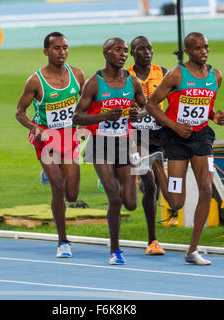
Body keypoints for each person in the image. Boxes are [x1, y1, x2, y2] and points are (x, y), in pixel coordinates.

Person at [146, 32, 224, 265]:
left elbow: (204, 106)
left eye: (206, 47)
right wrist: (174, 125)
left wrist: (214, 116)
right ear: (188, 51)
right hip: (175, 139)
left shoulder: (216, 76)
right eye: (198, 48)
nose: (204, 51)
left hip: (201, 138)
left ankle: (192, 251)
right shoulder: (176, 75)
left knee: (206, 190)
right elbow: (152, 105)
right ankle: (156, 165)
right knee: (176, 202)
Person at [72, 37, 147, 265]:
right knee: (114, 197)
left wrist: (138, 115)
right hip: (100, 144)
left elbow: (144, 106)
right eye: (118, 50)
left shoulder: (132, 82)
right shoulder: (94, 83)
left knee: (131, 203)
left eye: (125, 51)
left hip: (123, 144)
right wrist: (104, 116)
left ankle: (128, 180)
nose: (123, 54)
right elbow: (76, 117)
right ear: (106, 53)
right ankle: (115, 250)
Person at [15, 32, 85, 258]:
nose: (62, 52)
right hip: (46, 140)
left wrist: (87, 126)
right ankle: (63, 241)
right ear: (46, 51)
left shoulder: (77, 75)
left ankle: (49, 175)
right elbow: (19, 112)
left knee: (72, 195)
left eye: (65, 47)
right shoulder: (36, 80)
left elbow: (86, 104)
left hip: (69, 138)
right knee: (58, 185)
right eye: (56, 48)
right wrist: (35, 128)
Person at [125, 36, 167, 256]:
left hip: (159, 135)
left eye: (149, 48)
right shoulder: (125, 76)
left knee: (156, 187)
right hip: (135, 135)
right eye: (141, 49)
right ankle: (152, 241)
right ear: (133, 53)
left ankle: (137, 178)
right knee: (150, 185)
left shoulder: (164, 72)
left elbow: (176, 98)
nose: (147, 52)